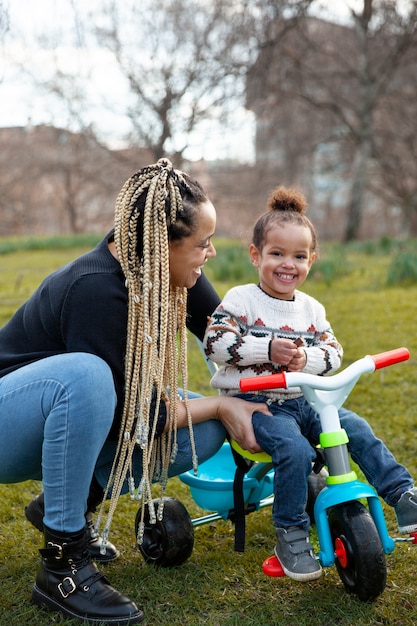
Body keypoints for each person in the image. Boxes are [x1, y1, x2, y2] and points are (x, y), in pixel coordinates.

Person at [0, 158, 269, 625]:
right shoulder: (97, 288)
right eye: (203, 244)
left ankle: (65, 502)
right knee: (88, 375)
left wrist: (283, 380)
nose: (210, 254)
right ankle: (63, 567)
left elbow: (225, 334)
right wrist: (224, 403)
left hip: (64, 424)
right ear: (162, 245)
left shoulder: (167, 269)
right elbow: (136, 416)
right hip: (10, 423)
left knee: (204, 432)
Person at [203, 185, 417, 583]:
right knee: (296, 451)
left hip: (307, 402)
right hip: (258, 406)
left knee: (356, 429)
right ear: (256, 255)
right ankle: (291, 533)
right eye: (277, 254)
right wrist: (267, 348)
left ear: (311, 260)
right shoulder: (241, 299)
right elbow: (215, 342)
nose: (288, 264)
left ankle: (403, 495)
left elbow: (334, 350)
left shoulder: (311, 309)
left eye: (299, 256)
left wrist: (306, 358)